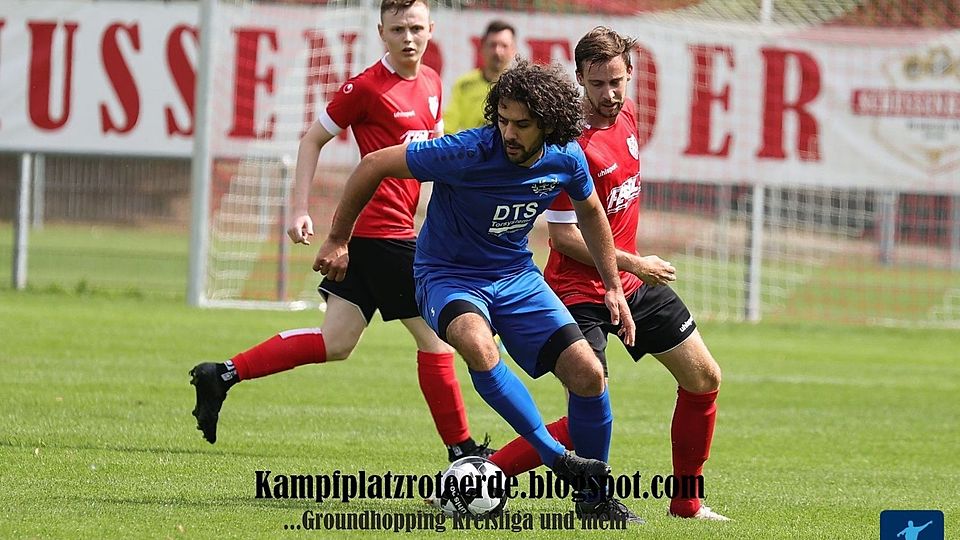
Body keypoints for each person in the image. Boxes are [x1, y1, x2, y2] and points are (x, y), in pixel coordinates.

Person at [314, 58, 643, 523]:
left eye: (522, 125)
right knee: (477, 345)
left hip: (516, 277)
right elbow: (372, 164)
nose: (509, 133)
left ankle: (594, 501)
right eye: (503, 120)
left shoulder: (566, 156)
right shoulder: (465, 151)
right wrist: (338, 237)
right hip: (447, 276)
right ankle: (556, 458)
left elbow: (590, 212)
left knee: (588, 374)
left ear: (548, 125)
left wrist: (613, 285)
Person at [189, 0, 494, 463]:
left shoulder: (432, 82)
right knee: (436, 339)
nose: (408, 37)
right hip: (380, 235)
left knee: (336, 342)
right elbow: (311, 139)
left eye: (415, 27)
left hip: (388, 237)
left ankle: (222, 374)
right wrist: (299, 209)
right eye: (397, 29)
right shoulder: (367, 87)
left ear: (431, 28)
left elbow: (431, 166)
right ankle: (462, 453)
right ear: (381, 32)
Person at [487, 27, 730, 521]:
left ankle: (686, 502)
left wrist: (631, 272)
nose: (610, 94)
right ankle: (482, 475)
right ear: (579, 79)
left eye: (617, 81)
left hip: (630, 286)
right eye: (597, 84)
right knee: (587, 410)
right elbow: (563, 238)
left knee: (704, 378)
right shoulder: (566, 144)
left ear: (629, 75)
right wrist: (637, 261)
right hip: (578, 291)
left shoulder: (629, 115)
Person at [443, 20, 516, 134]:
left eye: (504, 46)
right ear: (482, 48)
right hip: (474, 150)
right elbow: (448, 128)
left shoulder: (519, 88)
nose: (497, 51)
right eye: (492, 45)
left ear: (513, 50)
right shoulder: (464, 84)